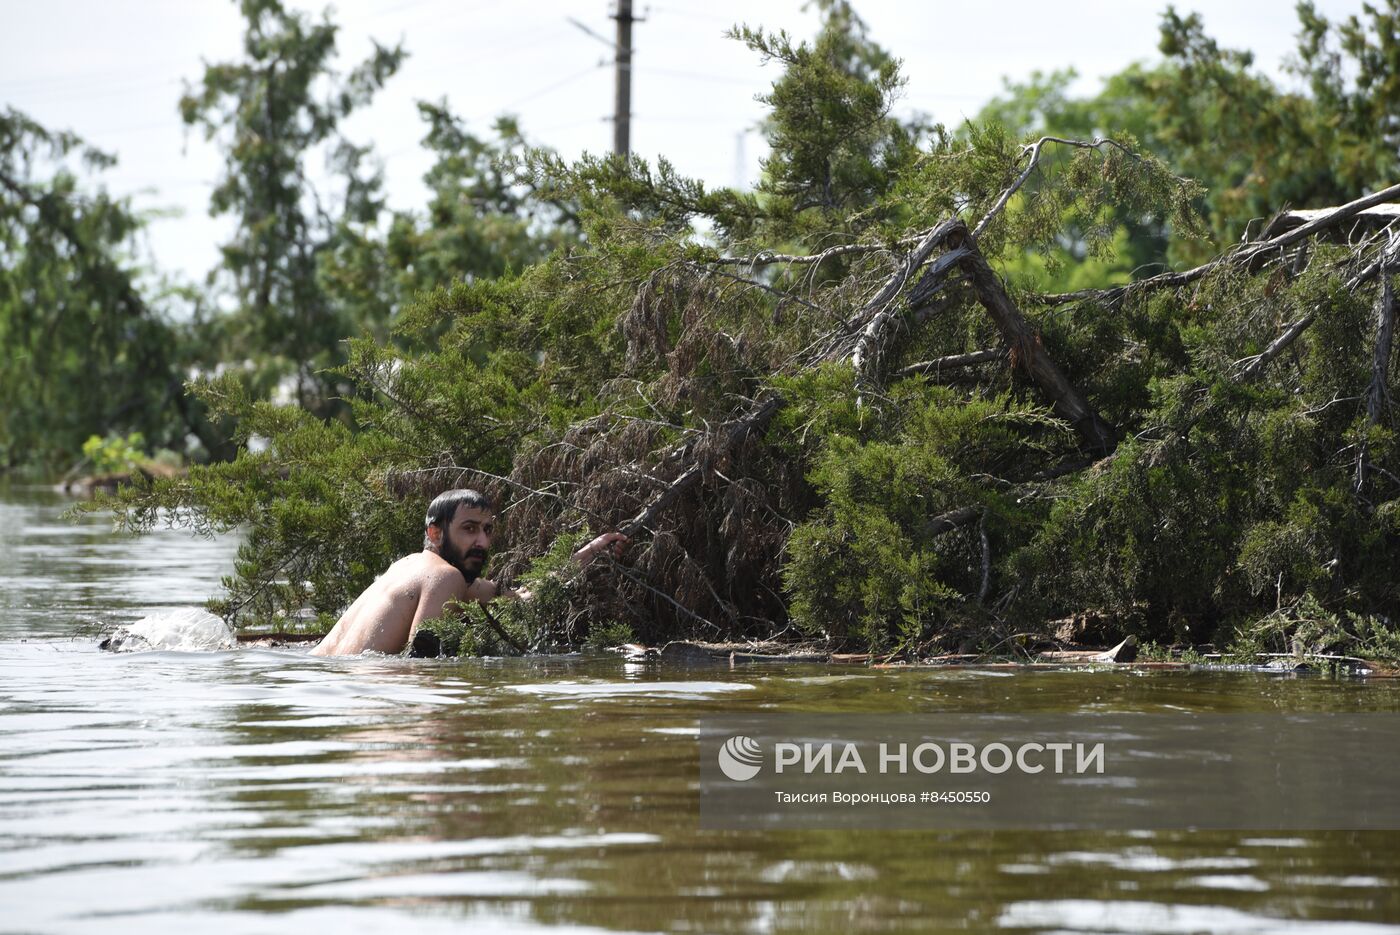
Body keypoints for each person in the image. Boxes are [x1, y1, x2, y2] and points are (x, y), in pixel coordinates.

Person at [311, 488, 625, 657]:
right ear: (435, 533)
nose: (483, 541)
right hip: (369, 695)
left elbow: (525, 598)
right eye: (470, 529)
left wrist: (592, 550)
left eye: (488, 530)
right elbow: (421, 662)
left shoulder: (407, 567)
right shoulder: (445, 577)